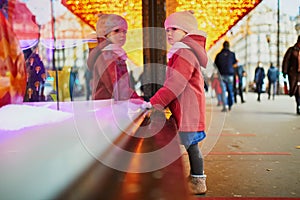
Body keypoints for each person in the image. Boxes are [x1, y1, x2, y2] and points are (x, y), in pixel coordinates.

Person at [143, 10, 208, 194]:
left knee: (192, 147)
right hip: (187, 110)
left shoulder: (185, 53)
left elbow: (176, 83)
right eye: (167, 30)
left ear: (186, 31)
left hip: (189, 112)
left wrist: (156, 102)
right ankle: (195, 177)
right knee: (190, 146)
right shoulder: (182, 51)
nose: (169, 33)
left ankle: (198, 180)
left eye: (174, 28)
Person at [87, 13, 141, 101]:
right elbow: (116, 88)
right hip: (109, 109)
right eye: (116, 31)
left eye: (124, 31)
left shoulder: (115, 54)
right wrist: (138, 100)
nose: (122, 35)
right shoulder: (107, 56)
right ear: (105, 33)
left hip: (112, 106)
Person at [214, 41, 237, 112]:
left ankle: (225, 107)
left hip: (221, 75)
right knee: (230, 89)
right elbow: (235, 63)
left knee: (223, 91)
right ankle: (230, 104)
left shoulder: (219, 55)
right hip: (230, 74)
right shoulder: (232, 54)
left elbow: (215, 64)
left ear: (223, 46)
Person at [282, 35, 300, 115]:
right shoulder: (292, 50)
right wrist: (284, 72)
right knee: (295, 90)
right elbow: (286, 60)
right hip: (293, 74)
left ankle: (299, 105)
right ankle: (298, 104)